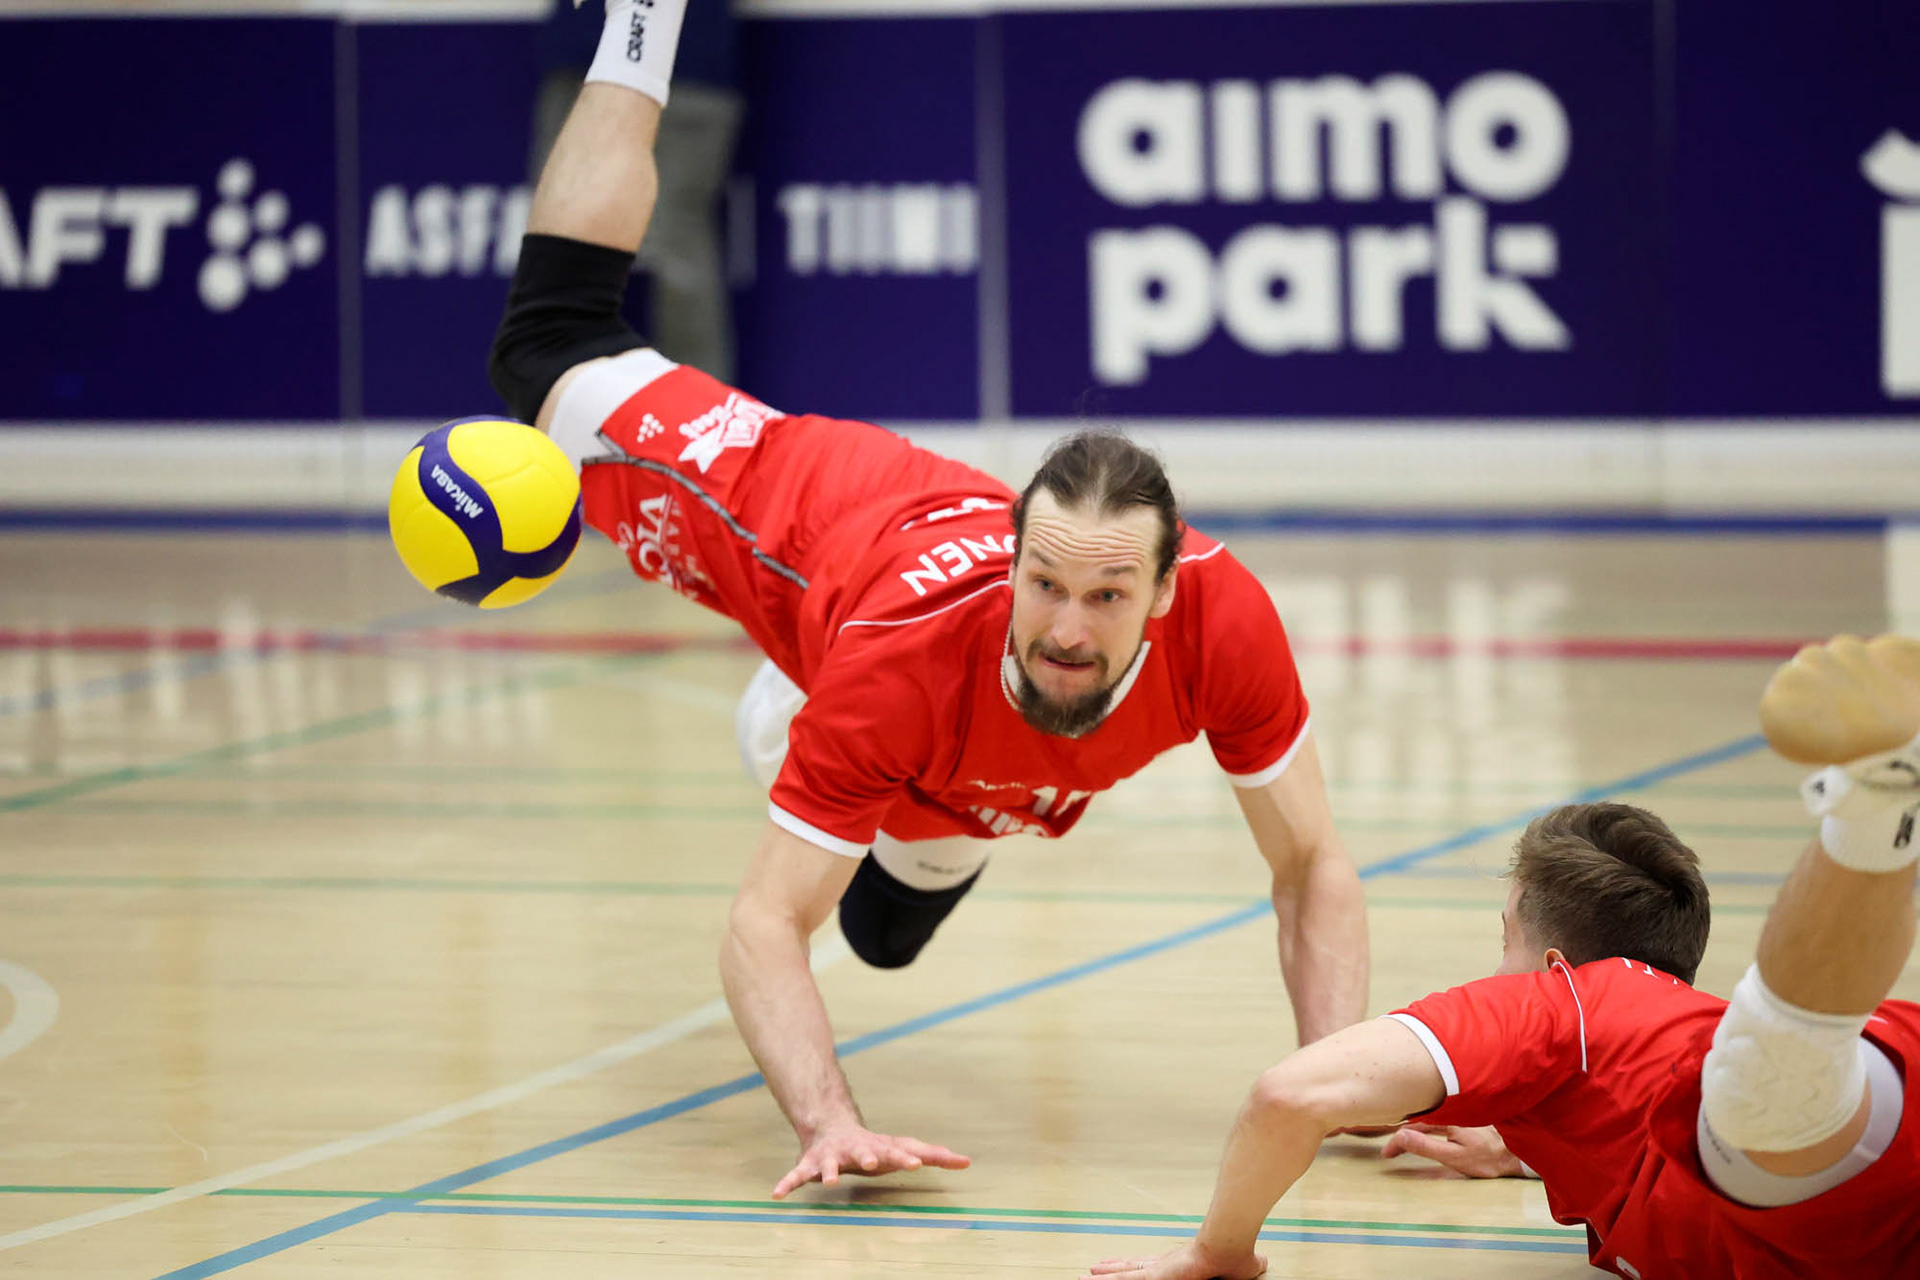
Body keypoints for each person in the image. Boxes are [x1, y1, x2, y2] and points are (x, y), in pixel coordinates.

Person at [485, 0, 1370, 1201]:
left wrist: (1339, 1079)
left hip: (939, 736)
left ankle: (909, 808)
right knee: (550, 344)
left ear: (1166, 592)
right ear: (1010, 567)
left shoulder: (1230, 624)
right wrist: (827, 1118)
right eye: (1044, 584)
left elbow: (1311, 858)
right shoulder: (898, 671)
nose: (1067, 625)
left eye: (1108, 595)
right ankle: (644, 13)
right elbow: (758, 928)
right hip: (820, 553)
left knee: (885, 939)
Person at [1082, 633, 1920, 1280]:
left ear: (1551, 962)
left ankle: (1879, 798)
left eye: (1503, 941)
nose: (1494, 974)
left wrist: (1220, 1250)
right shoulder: (1632, 1053)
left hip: (1800, 1128)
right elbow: (1618, 1099)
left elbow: (1288, 1097)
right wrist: (1526, 1147)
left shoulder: (1565, 1001)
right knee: (1770, 1089)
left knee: (1768, 1087)